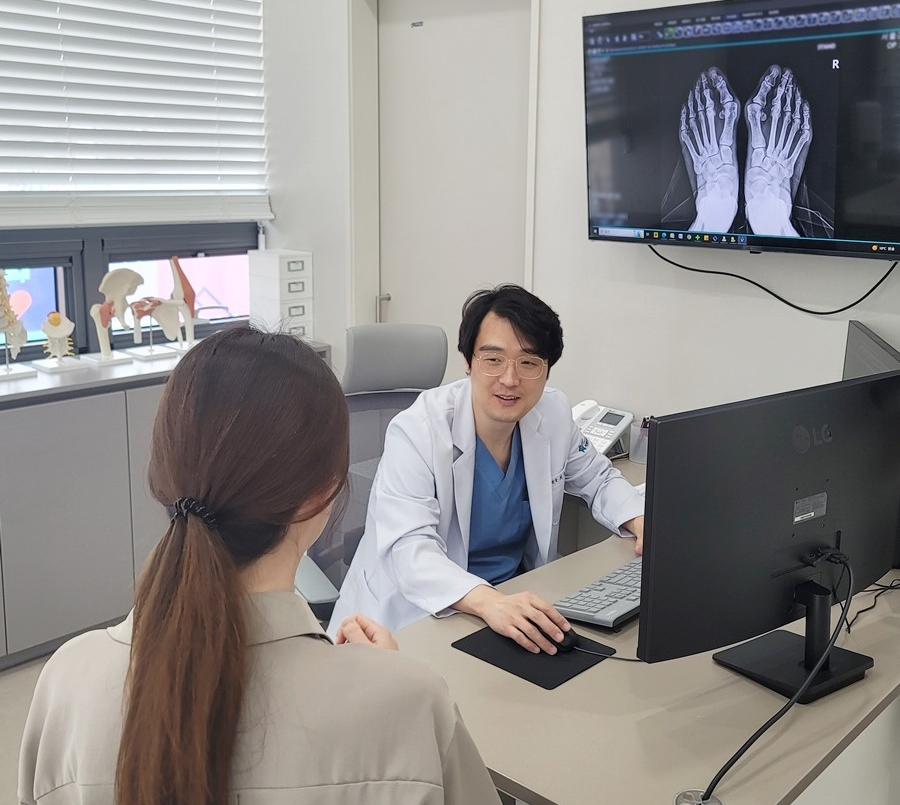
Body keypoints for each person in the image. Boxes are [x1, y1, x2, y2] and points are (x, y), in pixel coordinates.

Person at [18, 326, 500, 805]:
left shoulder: (67, 683)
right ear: (323, 494)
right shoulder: (412, 704)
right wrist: (382, 684)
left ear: (162, 473)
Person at [329, 285, 645, 654]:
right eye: (493, 359)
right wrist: (489, 602)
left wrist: (641, 522)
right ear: (468, 362)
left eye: (529, 362)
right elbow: (410, 551)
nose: (510, 379)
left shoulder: (553, 414)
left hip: (507, 601)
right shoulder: (418, 431)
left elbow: (599, 479)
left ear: (547, 370)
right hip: (415, 618)